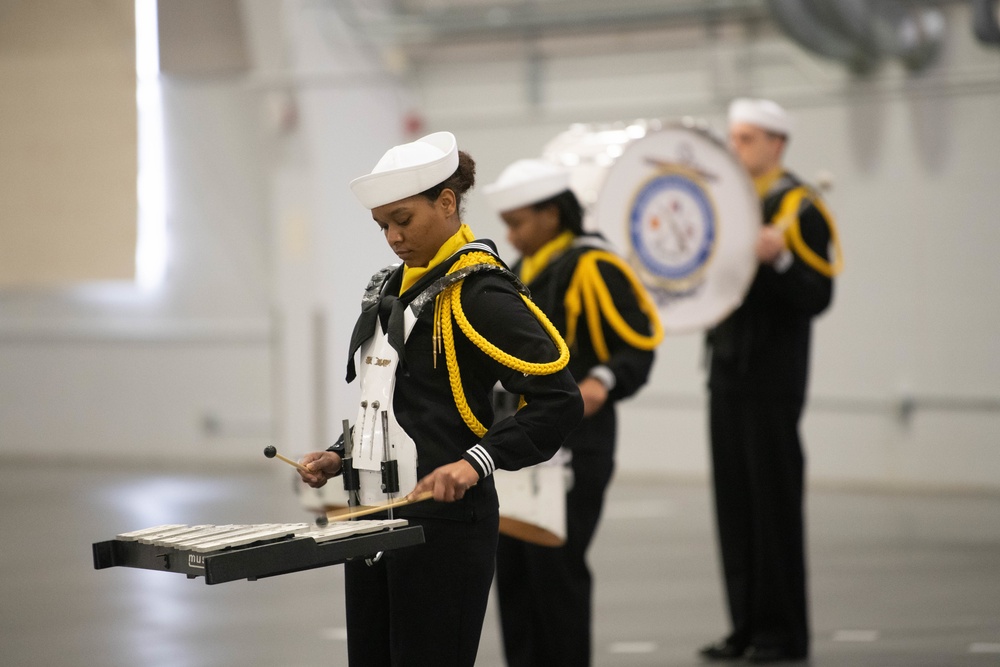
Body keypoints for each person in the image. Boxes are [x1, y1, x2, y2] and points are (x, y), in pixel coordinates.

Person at [295, 132, 584, 667]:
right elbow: (389, 398)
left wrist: (478, 463)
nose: (393, 237)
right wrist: (341, 453)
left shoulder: (481, 292)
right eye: (383, 225)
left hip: (444, 528)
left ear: (446, 203)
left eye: (403, 220)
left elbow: (559, 401)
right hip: (368, 516)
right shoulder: (388, 289)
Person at [483, 158, 663, 667]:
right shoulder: (517, 274)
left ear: (553, 215)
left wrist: (600, 383)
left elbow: (637, 347)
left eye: (518, 222)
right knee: (514, 570)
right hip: (518, 441)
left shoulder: (593, 265)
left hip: (576, 443)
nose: (510, 234)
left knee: (555, 567)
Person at [700, 99, 841, 663]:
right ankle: (746, 627)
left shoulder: (798, 207)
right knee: (734, 505)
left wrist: (780, 261)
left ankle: (782, 633)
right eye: (734, 138)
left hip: (773, 377)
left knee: (773, 505)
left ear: (778, 145)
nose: (738, 149)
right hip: (727, 371)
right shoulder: (731, 205)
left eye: (750, 138)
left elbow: (818, 293)